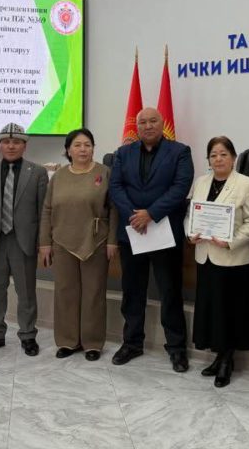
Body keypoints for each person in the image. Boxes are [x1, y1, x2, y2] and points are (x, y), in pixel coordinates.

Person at [108, 107, 194, 372]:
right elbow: (115, 187)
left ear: (162, 123)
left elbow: (181, 187)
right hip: (132, 231)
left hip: (164, 231)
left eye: (153, 121)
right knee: (132, 291)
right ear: (136, 126)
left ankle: (176, 348)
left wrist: (151, 214)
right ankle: (132, 343)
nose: (147, 126)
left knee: (170, 292)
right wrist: (135, 216)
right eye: (142, 122)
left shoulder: (180, 152)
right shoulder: (123, 153)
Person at [38, 128, 117, 361]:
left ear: (93, 148)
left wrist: (112, 241)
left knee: (94, 293)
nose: (83, 149)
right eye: (78, 145)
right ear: (68, 150)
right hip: (62, 241)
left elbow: (114, 210)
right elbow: (47, 210)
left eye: (87, 145)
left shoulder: (105, 173)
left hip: (96, 241)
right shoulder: (59, 176)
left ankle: (92, 343)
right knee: (65, 292)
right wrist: (45, 243)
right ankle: (67, 341)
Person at [186, 136, 249, 387]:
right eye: (213, 155)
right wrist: (190, 233)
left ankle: (228, 360)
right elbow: (190, 215)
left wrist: (230, 242)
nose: (218, 159)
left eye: (223, 154)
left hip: (233, 258)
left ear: (234, 158)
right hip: (205, 255)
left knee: (230, 310)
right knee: (212, 310)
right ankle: (218, 356)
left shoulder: (246, 184)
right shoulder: (201, 182)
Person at [0, 123, 47, 357]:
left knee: (26, 292)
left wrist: (44, 242)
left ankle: (28, 335)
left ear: (24, 145)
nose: (11, 146)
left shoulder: (38, 172)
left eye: (16, 142)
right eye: (6, 142)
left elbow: (43, 211)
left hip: (24, 241)